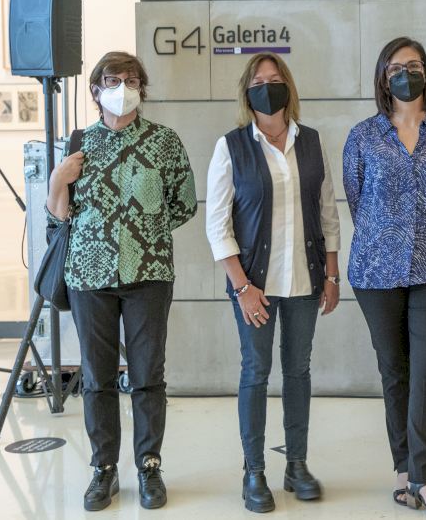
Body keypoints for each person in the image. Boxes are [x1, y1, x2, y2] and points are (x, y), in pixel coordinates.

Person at [47, 52, 197, 511]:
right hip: (88, 275)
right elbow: (59, 216)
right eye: (112, 80)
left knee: (148, 375)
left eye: (131, 80)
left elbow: (184, 204)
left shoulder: (164, 142)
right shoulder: (79, 144)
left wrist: (142, 233)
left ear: (142, 89)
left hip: (148, 275)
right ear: (96, 89)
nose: (123, 88)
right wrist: (58, 179)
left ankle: (149, 465)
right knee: (98, 378)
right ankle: (104, 469)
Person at [344, 38, 426, 519]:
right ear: (383, 77)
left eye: (414, 65)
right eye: (396, 68)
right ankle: (404, 471)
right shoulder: (362, 136)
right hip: (376, 270)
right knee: (394, 370)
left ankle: (424, 477)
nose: (405, 74)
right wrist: (389, 238)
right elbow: (357, 200)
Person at [206, 53, 342, 512]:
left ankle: (296, 466)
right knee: (256, 371)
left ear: (288, 86)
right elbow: (217, 225)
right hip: (254, 286)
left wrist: (331, 274)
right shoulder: (231, 146)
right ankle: (254, 471)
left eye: (275, 78)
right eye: (258, 81)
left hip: (305, 278)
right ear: (248, 93)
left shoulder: (312, 141)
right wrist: (242, 288)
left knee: (298, 370)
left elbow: (327, 212)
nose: (268, 86)